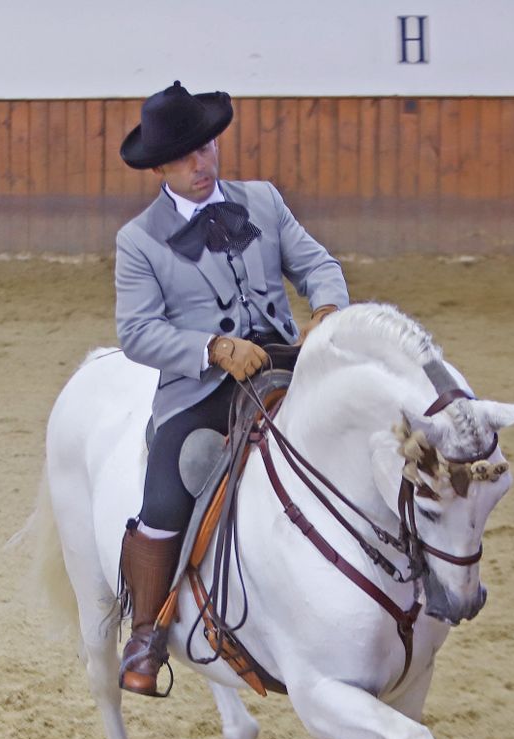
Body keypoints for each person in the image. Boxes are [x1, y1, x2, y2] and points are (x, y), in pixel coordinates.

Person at [113, 80, 349, 697]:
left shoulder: (264, 201)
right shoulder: (138, 240)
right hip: (202, 388)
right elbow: (136, 332)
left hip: (285, 364)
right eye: (184, 156)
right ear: (160, 166)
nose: (200, 163)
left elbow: (317, 263)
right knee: (171, 482)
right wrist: (211, 348)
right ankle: (146, 633)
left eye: (206, 148)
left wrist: (326, 308)